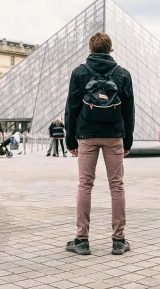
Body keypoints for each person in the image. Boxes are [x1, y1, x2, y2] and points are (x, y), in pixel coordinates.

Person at [65, 32, 135, 256]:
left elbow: (71, 108)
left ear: (91, 48)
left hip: (87, 135)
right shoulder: (122, 74)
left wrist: (70, 139)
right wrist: (128, 140)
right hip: (115, 135)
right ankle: (118, 240)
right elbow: (129, 111)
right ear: (110, 49)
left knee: (85, 185)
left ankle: (82, 240)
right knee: (117, 186)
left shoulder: (80, 72)